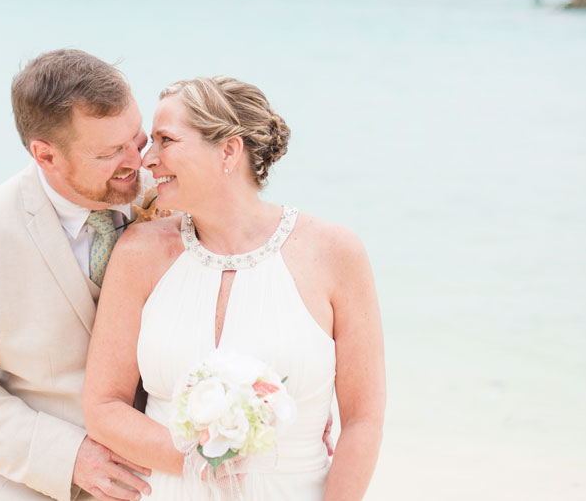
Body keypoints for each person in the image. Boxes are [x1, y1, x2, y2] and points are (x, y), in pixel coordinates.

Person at [82, 76, 386, 500]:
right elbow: (103, 407)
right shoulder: (138, 254)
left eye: (167, 140)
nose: (148, 159)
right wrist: (195, 463)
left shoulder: (334, 252)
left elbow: (362, 421)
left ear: (228, 150)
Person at [0, 49, 154, 501]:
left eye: (137, 140)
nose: (137, 162)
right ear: (46, 155)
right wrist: (68, 456)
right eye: (109, 153)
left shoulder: (178, 201)